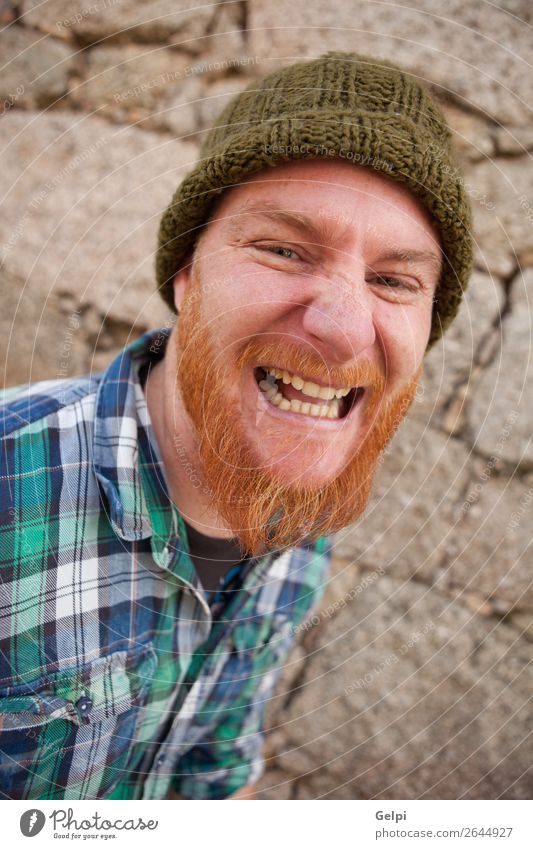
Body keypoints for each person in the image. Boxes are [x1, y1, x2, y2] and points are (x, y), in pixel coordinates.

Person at [0, 51, 472, 800]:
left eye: (392, 281)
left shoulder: (300, 529)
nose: (345, 328)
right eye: (283, 250)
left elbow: (214, 773)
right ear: (187, 274)